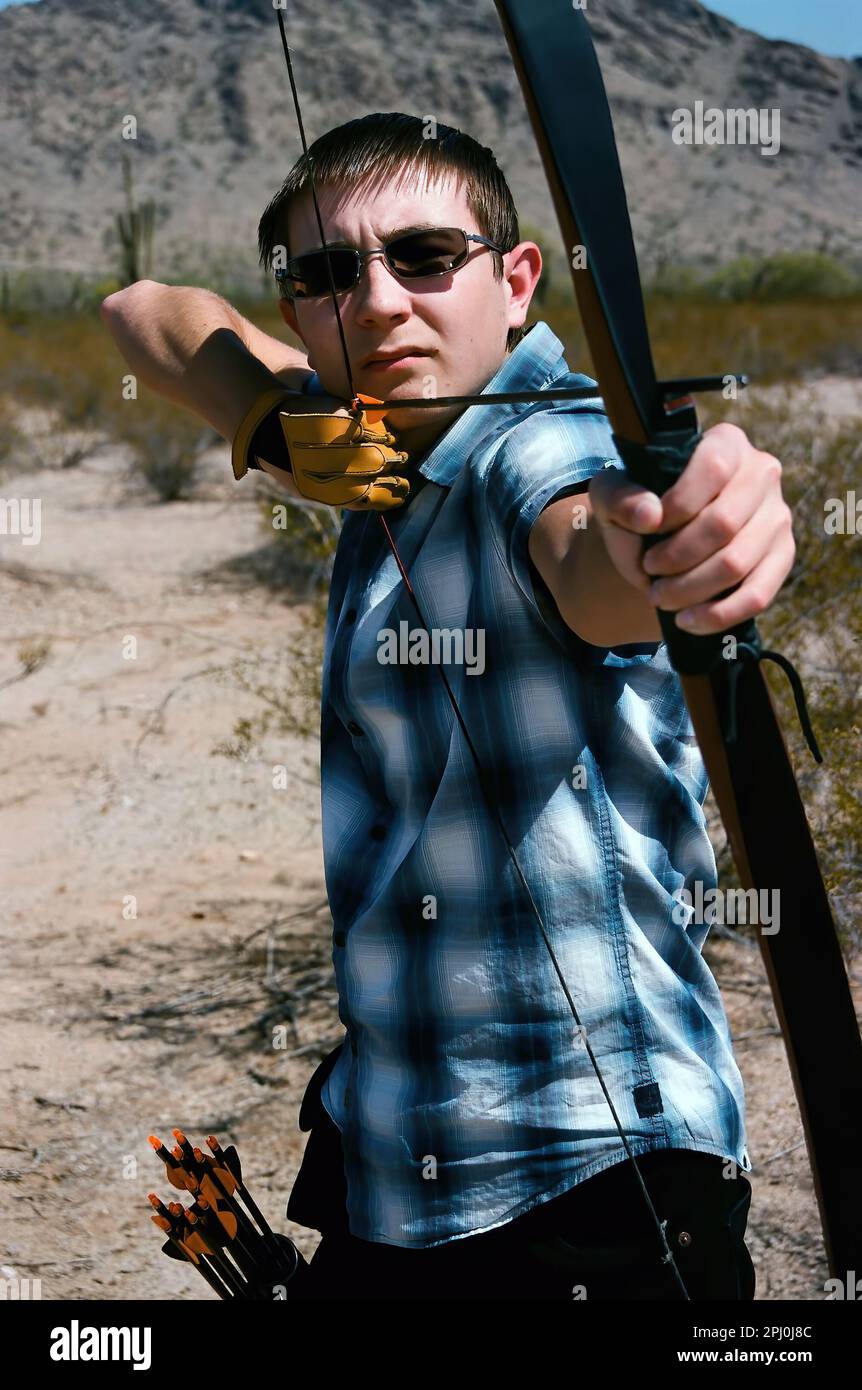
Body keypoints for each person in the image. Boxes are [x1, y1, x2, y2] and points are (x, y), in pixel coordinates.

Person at [102, 112, 794, 1301]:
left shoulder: (532, 444)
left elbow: (591, 548)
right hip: (398, 1169)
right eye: (327, 274)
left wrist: (686, 540)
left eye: (424, 257)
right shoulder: (360, 436)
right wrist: (266, 419)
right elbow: (141, 309)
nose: (376, 303)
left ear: (516, 281)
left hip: (591, 1187)